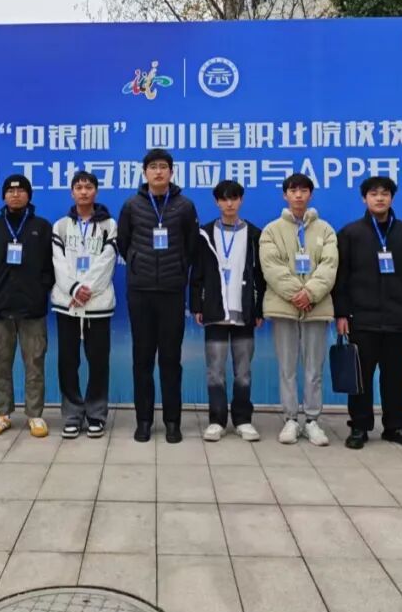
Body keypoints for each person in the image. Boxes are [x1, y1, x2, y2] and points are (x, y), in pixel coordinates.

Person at [333, 176, 402, 450]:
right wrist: (341, 313)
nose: (380, 198)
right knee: (361, 379)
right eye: (374, 194)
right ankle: (359, 427)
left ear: (392, 198)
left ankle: (395, 426)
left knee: (396, 377)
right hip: (361, 320)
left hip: (399, 320)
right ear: (364, 198)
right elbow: (340, 278)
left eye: (385, 193)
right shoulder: (350, 234)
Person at [117, 149, 199, 444]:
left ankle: (172, 421)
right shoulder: (132, 205)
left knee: (170, 359)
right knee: (142, 359)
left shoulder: (185, 206)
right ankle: (144, 420)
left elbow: (191, 246)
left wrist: (177, 267)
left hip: (172, 292)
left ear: (171, 172)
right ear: (145, 173)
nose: (159, 171)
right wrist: (138, 262)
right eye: (153, 167)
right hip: (140, 292)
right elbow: (123, 242)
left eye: (164, 167)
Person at [259, 174, 338, 446]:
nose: (298, 195)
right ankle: (290, 419)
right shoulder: (272, 230)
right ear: (285, 195)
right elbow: (271, 267)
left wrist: (311, 293)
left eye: (304, 190)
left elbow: (329, 265)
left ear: (311, 195)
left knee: (314, 368)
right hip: (284, 307)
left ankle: (313, 420)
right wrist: (297, 294)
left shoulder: (325, 230)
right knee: (287, 367)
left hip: (317, 307)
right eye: (293, 191)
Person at [0, 174, 55, 438]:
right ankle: (2, 414)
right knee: (0, 365)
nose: (15, 195)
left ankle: (35, 415)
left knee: (35, 364)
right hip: (0, 309)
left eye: (21, 190)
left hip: (32, 310)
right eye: (10, 191)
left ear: (29, 195)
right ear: (3, 196)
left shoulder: (42, 227)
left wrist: (41, 290)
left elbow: (51, 266)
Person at [190, 180, 265, 443]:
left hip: (244, 311)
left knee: (243, 371)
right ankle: (217, 421)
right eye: (224, 199)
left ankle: (243, 420)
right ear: (217, 202)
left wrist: (259, 308)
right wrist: (196, 305)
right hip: (215, 310)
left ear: (241, 200)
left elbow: (260, 275)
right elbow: (197, 272)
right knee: (215, 371)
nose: (229, 203)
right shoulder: (205, 233)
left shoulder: (254, 234)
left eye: (234, 198)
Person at [51, 171, 119, 439]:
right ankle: (71, 415)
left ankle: (96, 415)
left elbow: (108, 260)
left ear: (96, 192)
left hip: (98, 304)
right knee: (68, 362)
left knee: (98, 362)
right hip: (66, 304)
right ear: (72, 192)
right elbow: (58, 262)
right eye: (78, 187)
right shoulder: (61, 226)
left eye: (88, 187)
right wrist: (73, 289)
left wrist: (86, 289)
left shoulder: (109, 225)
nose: (83, 191)